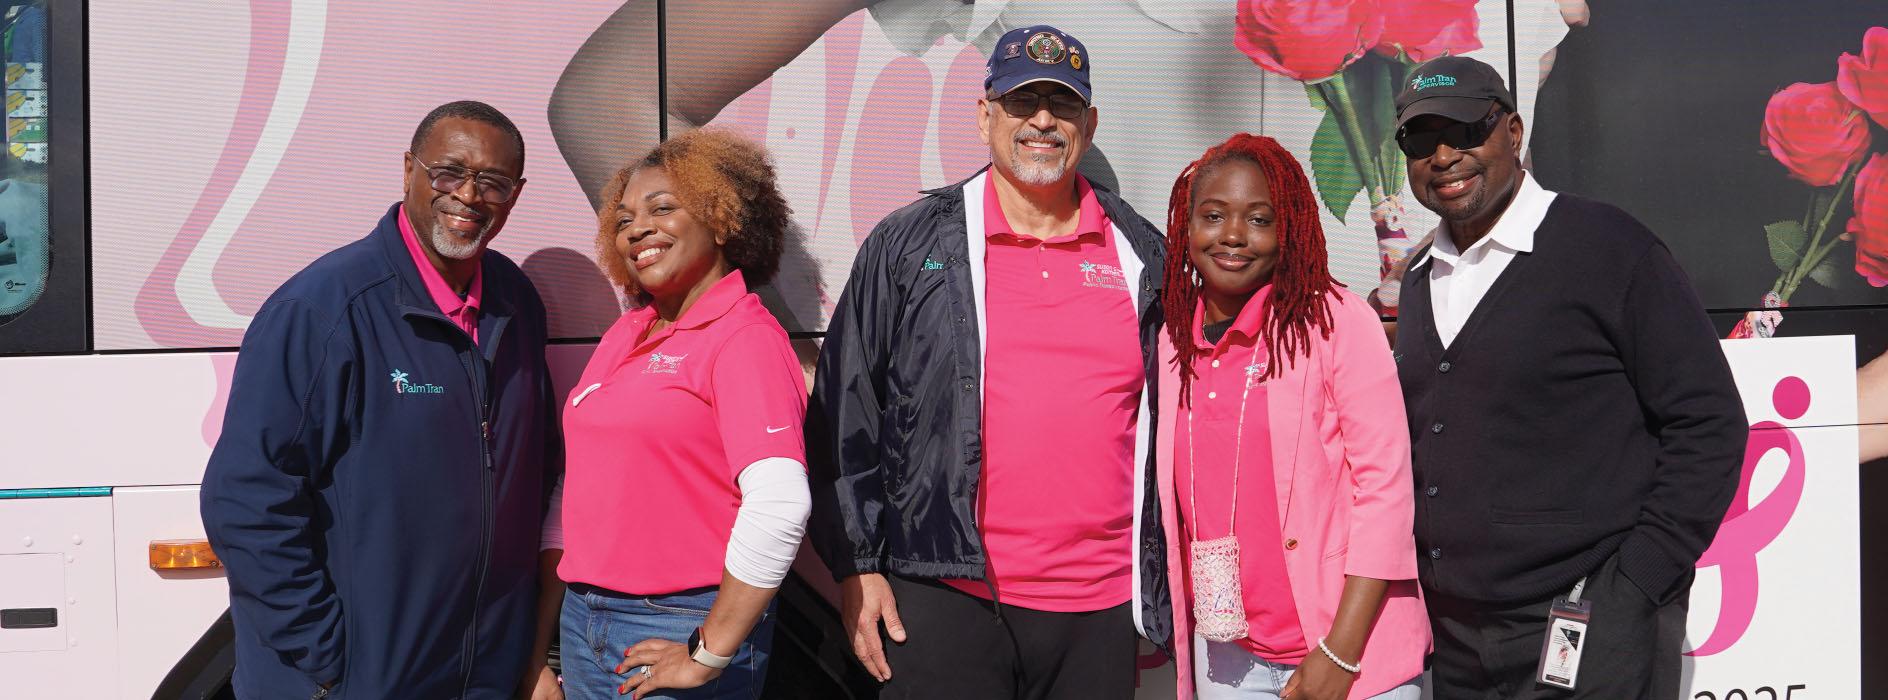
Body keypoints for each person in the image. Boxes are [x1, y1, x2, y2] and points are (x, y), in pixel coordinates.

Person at [806, 24, 1170, 699]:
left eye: (1062, 105)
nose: (1042, 121)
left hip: (1099, 608)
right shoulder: (909, 244)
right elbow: (845, 411)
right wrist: (856, 564)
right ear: (985, 116)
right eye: (1021, 101)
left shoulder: (1144, 253)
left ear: (1088, 125)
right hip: (943, 597)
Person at [1390, 56, 1748, 698]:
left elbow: (1709, 420)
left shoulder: (1610, 247)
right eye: (1421, 139)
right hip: (1458, 643)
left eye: (1466, 130)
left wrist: (1638, 579)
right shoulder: (1418, 280)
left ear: (1514, 132)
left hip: (1591, 621)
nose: (1443, 156)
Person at [200, 101, 561, 699]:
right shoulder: (323, 307)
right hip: (355, 680)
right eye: (448, 171)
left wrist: (521, 649)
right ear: (409, 170)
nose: (469, 195)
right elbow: (246, 498)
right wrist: (327, 659)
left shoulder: (516, 303)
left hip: (484, 678)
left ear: (515, 195)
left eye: (493, 182)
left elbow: (536, 470)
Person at [1154, 133, 1429, 700]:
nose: (1233, 235)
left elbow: (1386, 490)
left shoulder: (1335, 322)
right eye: (1213, 216)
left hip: (1348, 655)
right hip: (1229, 656)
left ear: (1290, 230)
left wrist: (1340, 653)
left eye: (1259, 219)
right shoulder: (1173, 339)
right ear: (1186, 227)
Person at [556, 129, 812, 700]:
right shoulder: (628, 332)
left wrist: (707, 652)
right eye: (624, 219)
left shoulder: (743, 337)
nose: (637, 229)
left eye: (662, 208)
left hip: (676, 623)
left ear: (721, 220)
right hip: (584, 619)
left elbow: (780, 504)